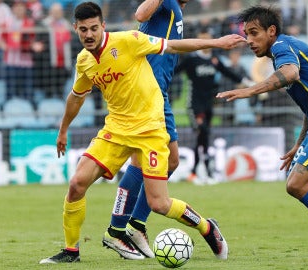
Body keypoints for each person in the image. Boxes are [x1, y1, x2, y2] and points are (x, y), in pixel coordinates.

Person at [39, 1, 246, 264]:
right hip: (115, 129)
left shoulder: (130, 40)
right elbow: (76, 96)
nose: (89, 35)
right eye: (83, 30)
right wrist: (63, 129)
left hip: (150, 129)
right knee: (77, 183)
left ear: (103, 26)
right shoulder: (84, 61)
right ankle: (72, 251)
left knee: (159, 203)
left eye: (93, 28)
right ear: (75, 29)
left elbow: (173, 45)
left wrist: (216, 43)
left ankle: (206, 227)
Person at [216, 5, 308, 266]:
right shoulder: (287, 49)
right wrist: (299, 144)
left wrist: (249, 91)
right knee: (303, 183)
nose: (249, 41)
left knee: (296, 184)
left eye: (254, 33)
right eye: (246, 34)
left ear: (272, 31)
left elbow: (290, 74)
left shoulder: (282, 47)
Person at [102, 0, 190, 260]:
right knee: (149, 160)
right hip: (149, 92)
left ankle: (131, 226)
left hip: (158, 91)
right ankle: (121, 228)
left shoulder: (176, 9)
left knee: (166, 161)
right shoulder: (165, 3)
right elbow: (140, 13)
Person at [175, 27, 244, 184]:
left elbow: (228, 73)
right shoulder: (191, 60)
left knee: (204, 136)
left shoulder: (214, 59)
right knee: (203, 132)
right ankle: (205, 171)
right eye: (201, 39)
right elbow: (174, 72)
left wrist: (247, 83)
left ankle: (196, 172)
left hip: (209, 105)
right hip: (194, 105)